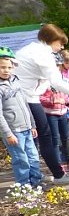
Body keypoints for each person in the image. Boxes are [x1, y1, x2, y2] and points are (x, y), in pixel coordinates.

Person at [14, 23, 69, 185]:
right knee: (43, 136)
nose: (62, 46)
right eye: (60, 42)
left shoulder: (30, 49)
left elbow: (44, 81)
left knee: (32, 139)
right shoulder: (42, 55)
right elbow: (57, 82)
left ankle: (35, 175)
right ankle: (58, 175)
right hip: (27, 99)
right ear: (50, 39)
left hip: (24, 98)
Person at [0, 47, 42, 187]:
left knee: (33, 157)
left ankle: (36, 182)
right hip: (14, 131)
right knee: (21, 159)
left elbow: (25, 104)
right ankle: (24, 187)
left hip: (27, 128)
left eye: (9, 67)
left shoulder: (15, 81)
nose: (6, 70)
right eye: (2, 67)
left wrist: (33, 124)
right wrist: (8, 134)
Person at [41, 52, 69, 172]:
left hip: (63, 112)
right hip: (50, 114)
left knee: (67, 138)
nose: (57, 69)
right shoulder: (43, 81)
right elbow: (39, 97)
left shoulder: (61, 79)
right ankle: (58, 164)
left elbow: (66, 96)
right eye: (54, 67)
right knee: (55, 139)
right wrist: (50, 101)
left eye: (58, 66)